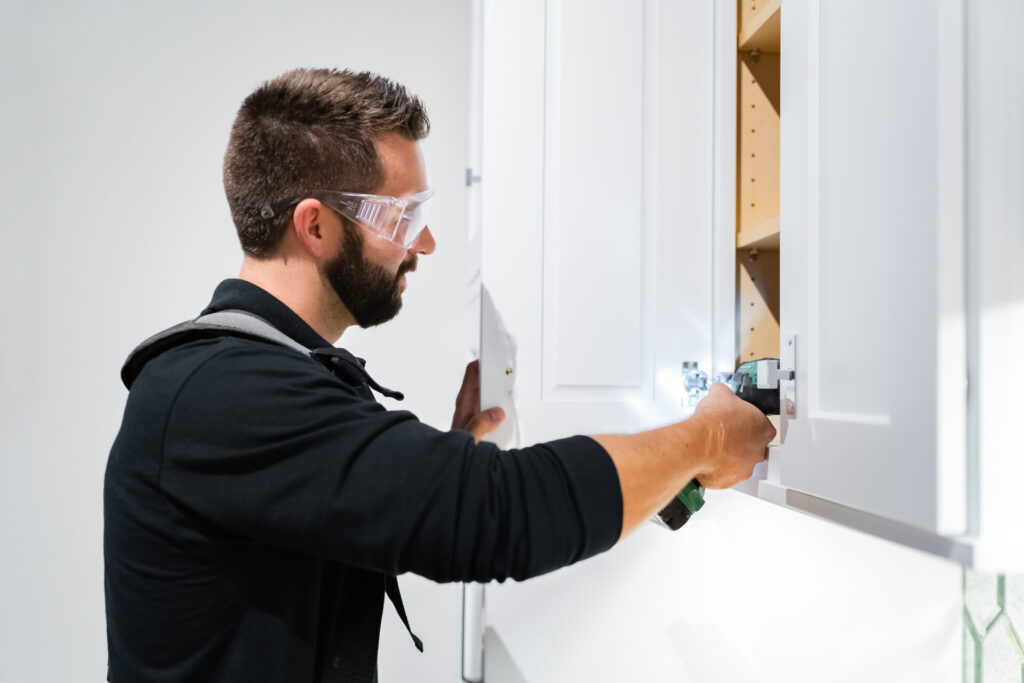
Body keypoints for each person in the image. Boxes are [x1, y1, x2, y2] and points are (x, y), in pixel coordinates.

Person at [104, 68, 775, 683]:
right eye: (403, 216)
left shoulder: (258, 378)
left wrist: (444, 462)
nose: (423, 244)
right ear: (314, 225)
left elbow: (325, 533)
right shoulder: (222, 392)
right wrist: (708, 438)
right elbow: (497, 513)